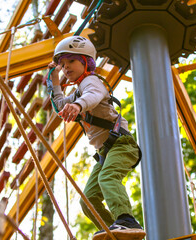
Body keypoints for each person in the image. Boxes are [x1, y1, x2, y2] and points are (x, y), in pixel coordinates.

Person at [48, 36, 145, 238]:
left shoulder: (91, 81)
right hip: (106, 152)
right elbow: (59, 106)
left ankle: (126, 220)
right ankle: (115, 231)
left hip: (121, 144)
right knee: (88, 199)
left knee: (107, 178)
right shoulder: (77, 93)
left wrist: (78, 106)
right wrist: (55, 81)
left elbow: (93, 95)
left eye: (71, 62)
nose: (66, 68)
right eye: (63, 65)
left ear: (86, 62)